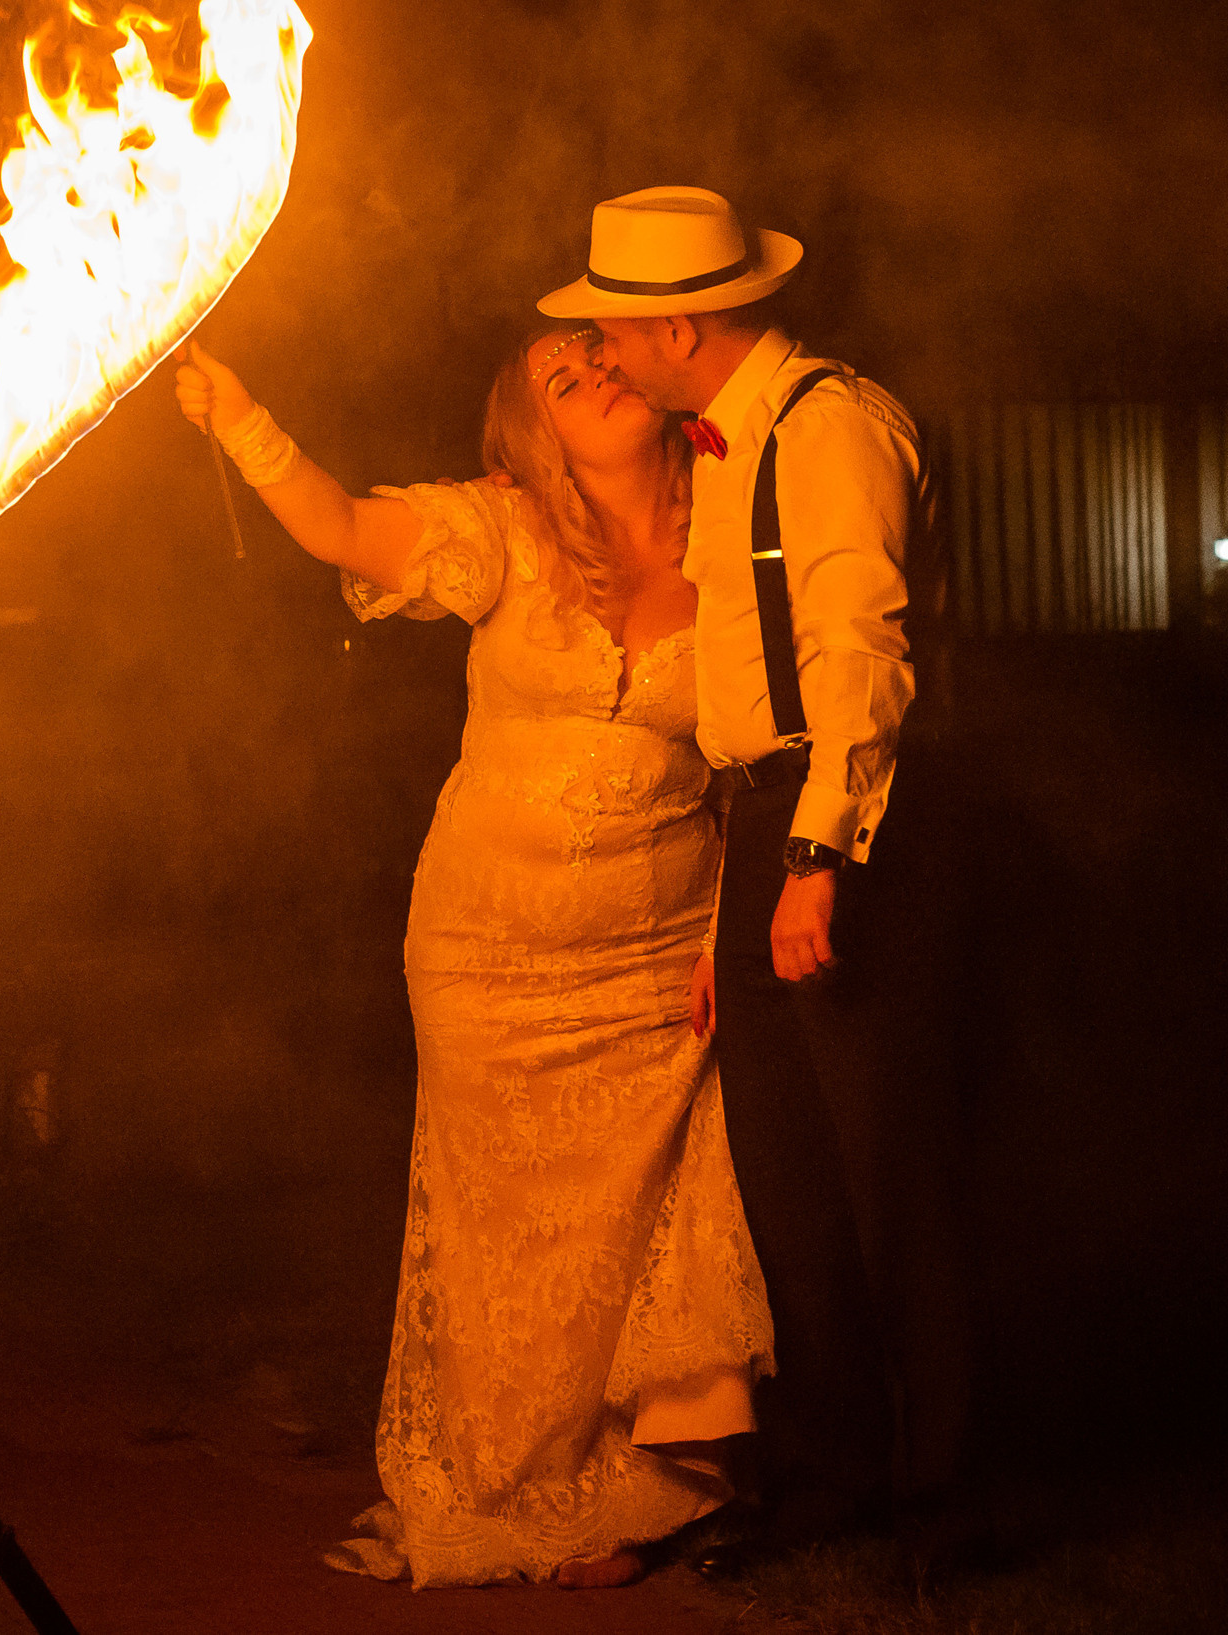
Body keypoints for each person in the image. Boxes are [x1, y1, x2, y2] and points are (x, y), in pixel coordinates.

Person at [174, 330, 774, 1588]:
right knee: (502, 1230)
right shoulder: (500, 529)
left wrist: (730, 931)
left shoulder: (740, 522)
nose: (598, 379)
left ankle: (626, 1494)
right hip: (485, 951)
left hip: (658, 952)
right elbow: (338, 527)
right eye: (564, 381)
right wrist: (242, 417)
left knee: (637, 1227)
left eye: (603, 359)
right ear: (535, 436)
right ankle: (497, 1485)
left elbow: (758, 762)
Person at [541, 186, 968, 1547]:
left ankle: (947, 1504)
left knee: (892, 1178)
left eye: (613, 329)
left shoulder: (828, 424)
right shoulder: (723, 446)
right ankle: (839, 1482)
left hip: (844, 821)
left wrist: (819, 856)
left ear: (681, 326)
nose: (601, 355)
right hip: (762, 821)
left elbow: (860, 654)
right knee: (791, 1183)